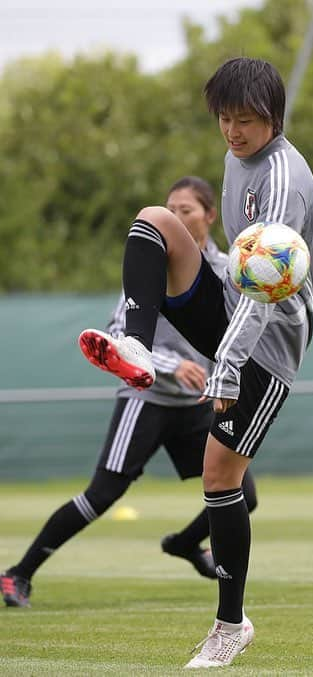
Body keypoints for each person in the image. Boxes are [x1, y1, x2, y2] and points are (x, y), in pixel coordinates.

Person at [76, 57, 313, 669]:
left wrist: (227, 366)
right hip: (233, 311)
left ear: (273, 118)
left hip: (269, 343)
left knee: (220, 476)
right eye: (224, 119)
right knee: (156, 219)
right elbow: (238, 272)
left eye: (245, 121)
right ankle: (134, 343)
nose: (232, 132)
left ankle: (230, 626)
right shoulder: (239, 159)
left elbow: (266, 291)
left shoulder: (286, 180)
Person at [1, 176, 258, 608]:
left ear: (209, 216)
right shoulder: (152, 262)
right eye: (170, 209)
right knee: (101, 495)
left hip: (194, 405)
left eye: (186, 210)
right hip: (147, 399)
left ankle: (182, 544)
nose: (176, 217)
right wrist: (175, 366)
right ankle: (17, 574)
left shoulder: (230, 268)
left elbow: (234, 334)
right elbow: (120, 333)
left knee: (244, 494)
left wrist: (220, 378)